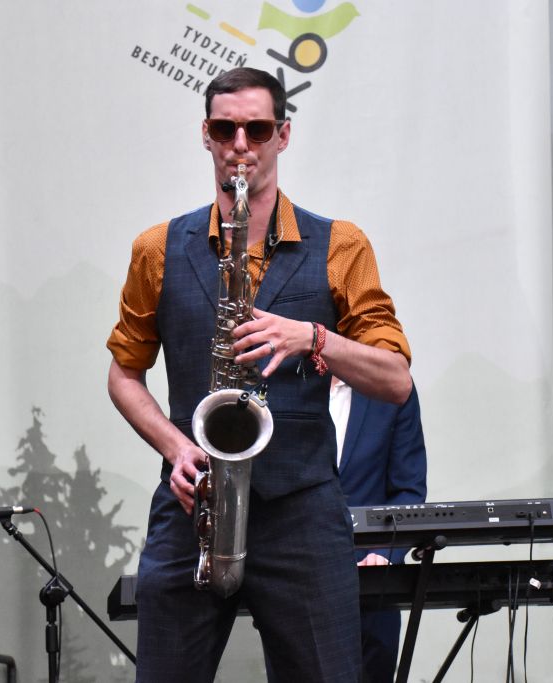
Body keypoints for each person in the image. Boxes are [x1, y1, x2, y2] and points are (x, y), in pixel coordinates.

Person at [106, 66, 412, 682]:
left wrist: (315, 338)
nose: (240, 144)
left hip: (303, 512)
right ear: (206, 134)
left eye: (258, 129)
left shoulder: (341, 244)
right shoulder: (156, 249)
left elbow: (395, 379)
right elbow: (123, 375)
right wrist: (176, 448)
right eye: (225, 129)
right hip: (194, 505)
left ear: (283, 135)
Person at [333, 377, 427, 683]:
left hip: (372, 580)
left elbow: (408, 489)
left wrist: (386, 552)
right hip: (295, 582)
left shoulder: (390, 384)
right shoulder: (282, 380)